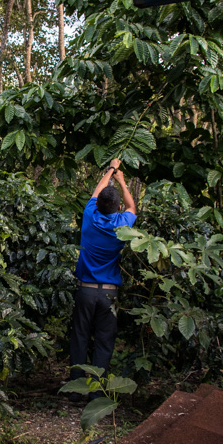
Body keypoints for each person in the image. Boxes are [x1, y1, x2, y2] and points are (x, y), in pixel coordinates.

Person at [68, 158, 136, 400]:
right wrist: (122, 181)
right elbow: (132, 207)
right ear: (117, 208)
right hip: (109, 293)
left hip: (85, 290)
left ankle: (76, 391)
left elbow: (96, 192)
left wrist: (111, 169)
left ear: (98, 205)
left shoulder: (90, 215)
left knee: (80, 338)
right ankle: (97, 394)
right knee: (104, 341)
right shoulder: (122, 225)